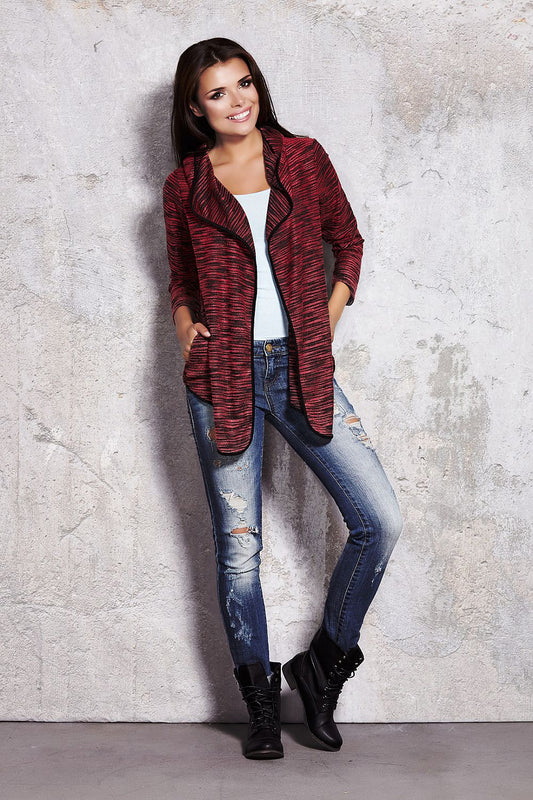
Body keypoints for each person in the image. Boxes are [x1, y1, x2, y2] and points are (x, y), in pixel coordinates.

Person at [163, 37, 403, 760]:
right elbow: (180, 279)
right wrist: (186, 329)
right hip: (222, 377)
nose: (237, 101)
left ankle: (323, 663)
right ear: (196, 109)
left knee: (379, 521)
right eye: (217, 93)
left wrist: (324, 319)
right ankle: (261, 705)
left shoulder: (302, 158)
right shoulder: (185, 185)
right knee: (239, 554)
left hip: (303, 369)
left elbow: (347, 241)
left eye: (244, 83)